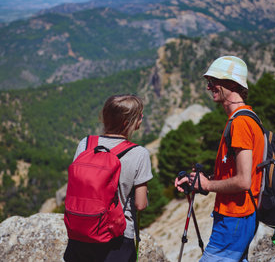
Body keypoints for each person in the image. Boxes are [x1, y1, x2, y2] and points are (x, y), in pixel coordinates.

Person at [175, 56, 264, 262]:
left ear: (232, 84)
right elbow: (239, 172)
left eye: (213, 82)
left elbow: (243, 181)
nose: (208, 87)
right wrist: (199, 181)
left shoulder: (240, 123)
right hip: (240, 216)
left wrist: (207, 184)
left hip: (235, 216)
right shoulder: (244, 118)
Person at [64, 94, 153, 262]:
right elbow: (140, 205)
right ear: (128, 123)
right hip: (117, 236)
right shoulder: (139, 153)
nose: (142, 118)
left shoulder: (86, 144)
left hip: (81, 232)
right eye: (139, 115)